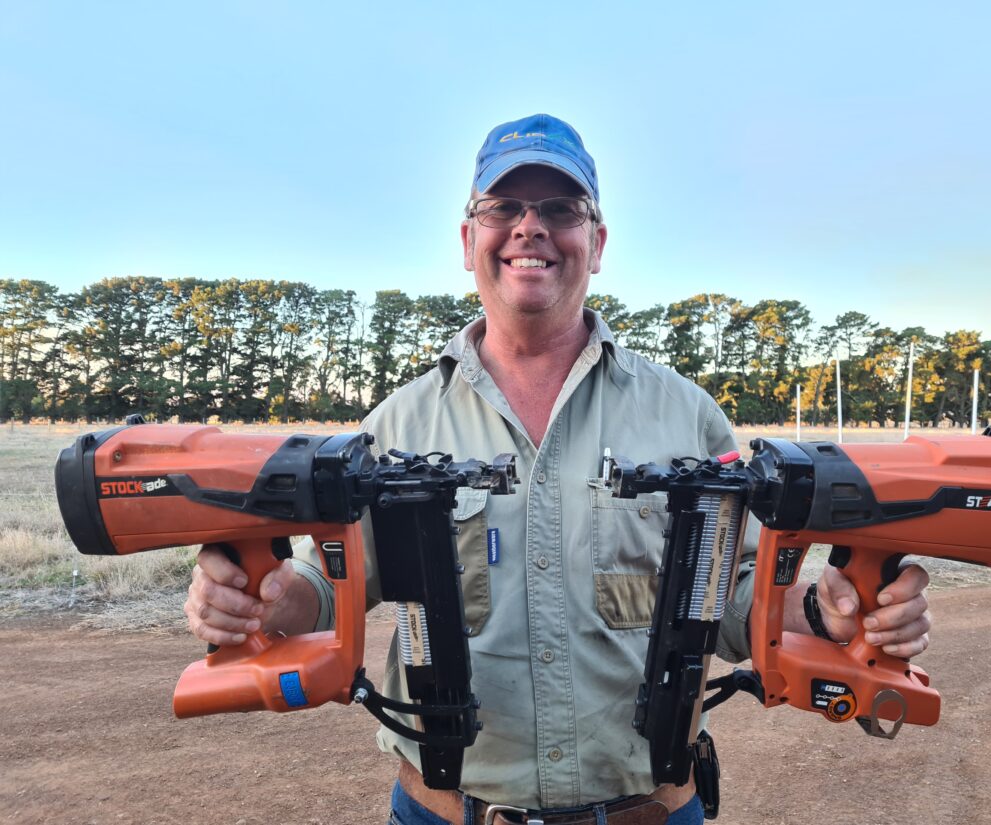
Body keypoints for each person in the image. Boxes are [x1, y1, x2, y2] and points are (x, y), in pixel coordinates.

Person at [185, 114, 932, 825]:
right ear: (468, 236)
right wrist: (258, 600)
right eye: (503, 205)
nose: (530, 226)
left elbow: (740, 596)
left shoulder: (687, 417)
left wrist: (826, 612)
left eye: (560, 208)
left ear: (597, 240)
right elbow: (325, 589)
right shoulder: (397, 425)